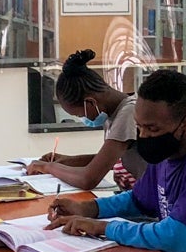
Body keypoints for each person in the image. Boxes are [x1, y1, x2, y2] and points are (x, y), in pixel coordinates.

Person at [46, 69, 186, 252]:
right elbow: (137, 201)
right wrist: (87, 208)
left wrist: (102, 227)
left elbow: (178, 239)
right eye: (139, 128)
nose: (143, 136)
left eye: (153, 129)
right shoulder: (163, 156)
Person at [27, 48, 143, 188]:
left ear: (90, 102)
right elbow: (108, 161)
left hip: (144, 203)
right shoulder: (113, 114)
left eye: (80, 115)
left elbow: (88, 179)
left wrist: (48, 168)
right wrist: (66, 161)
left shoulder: (128, 113)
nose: (82, 119)